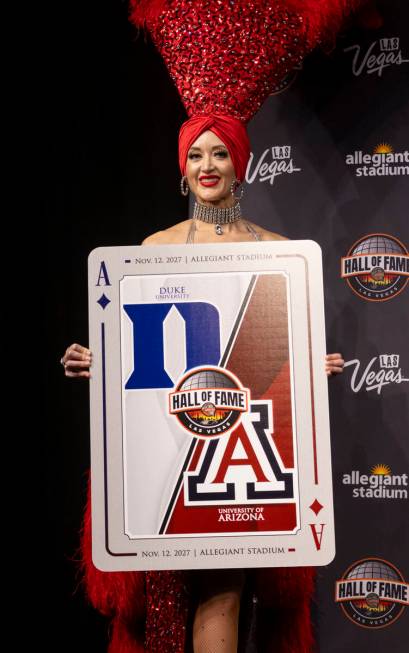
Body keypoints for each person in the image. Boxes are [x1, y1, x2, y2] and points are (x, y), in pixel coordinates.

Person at [60, 1, 383, 650]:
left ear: (240, 164)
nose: (208, 165)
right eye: (196, 154)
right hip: (163, 457)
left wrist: (304, 372)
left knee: (219, 600)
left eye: (220, 153)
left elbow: (265, 360)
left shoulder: (274, 251)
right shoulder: (150, 249)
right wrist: (101, 363)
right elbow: (141, 359)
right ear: (182, 168)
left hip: (232, 466)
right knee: (160, 610)